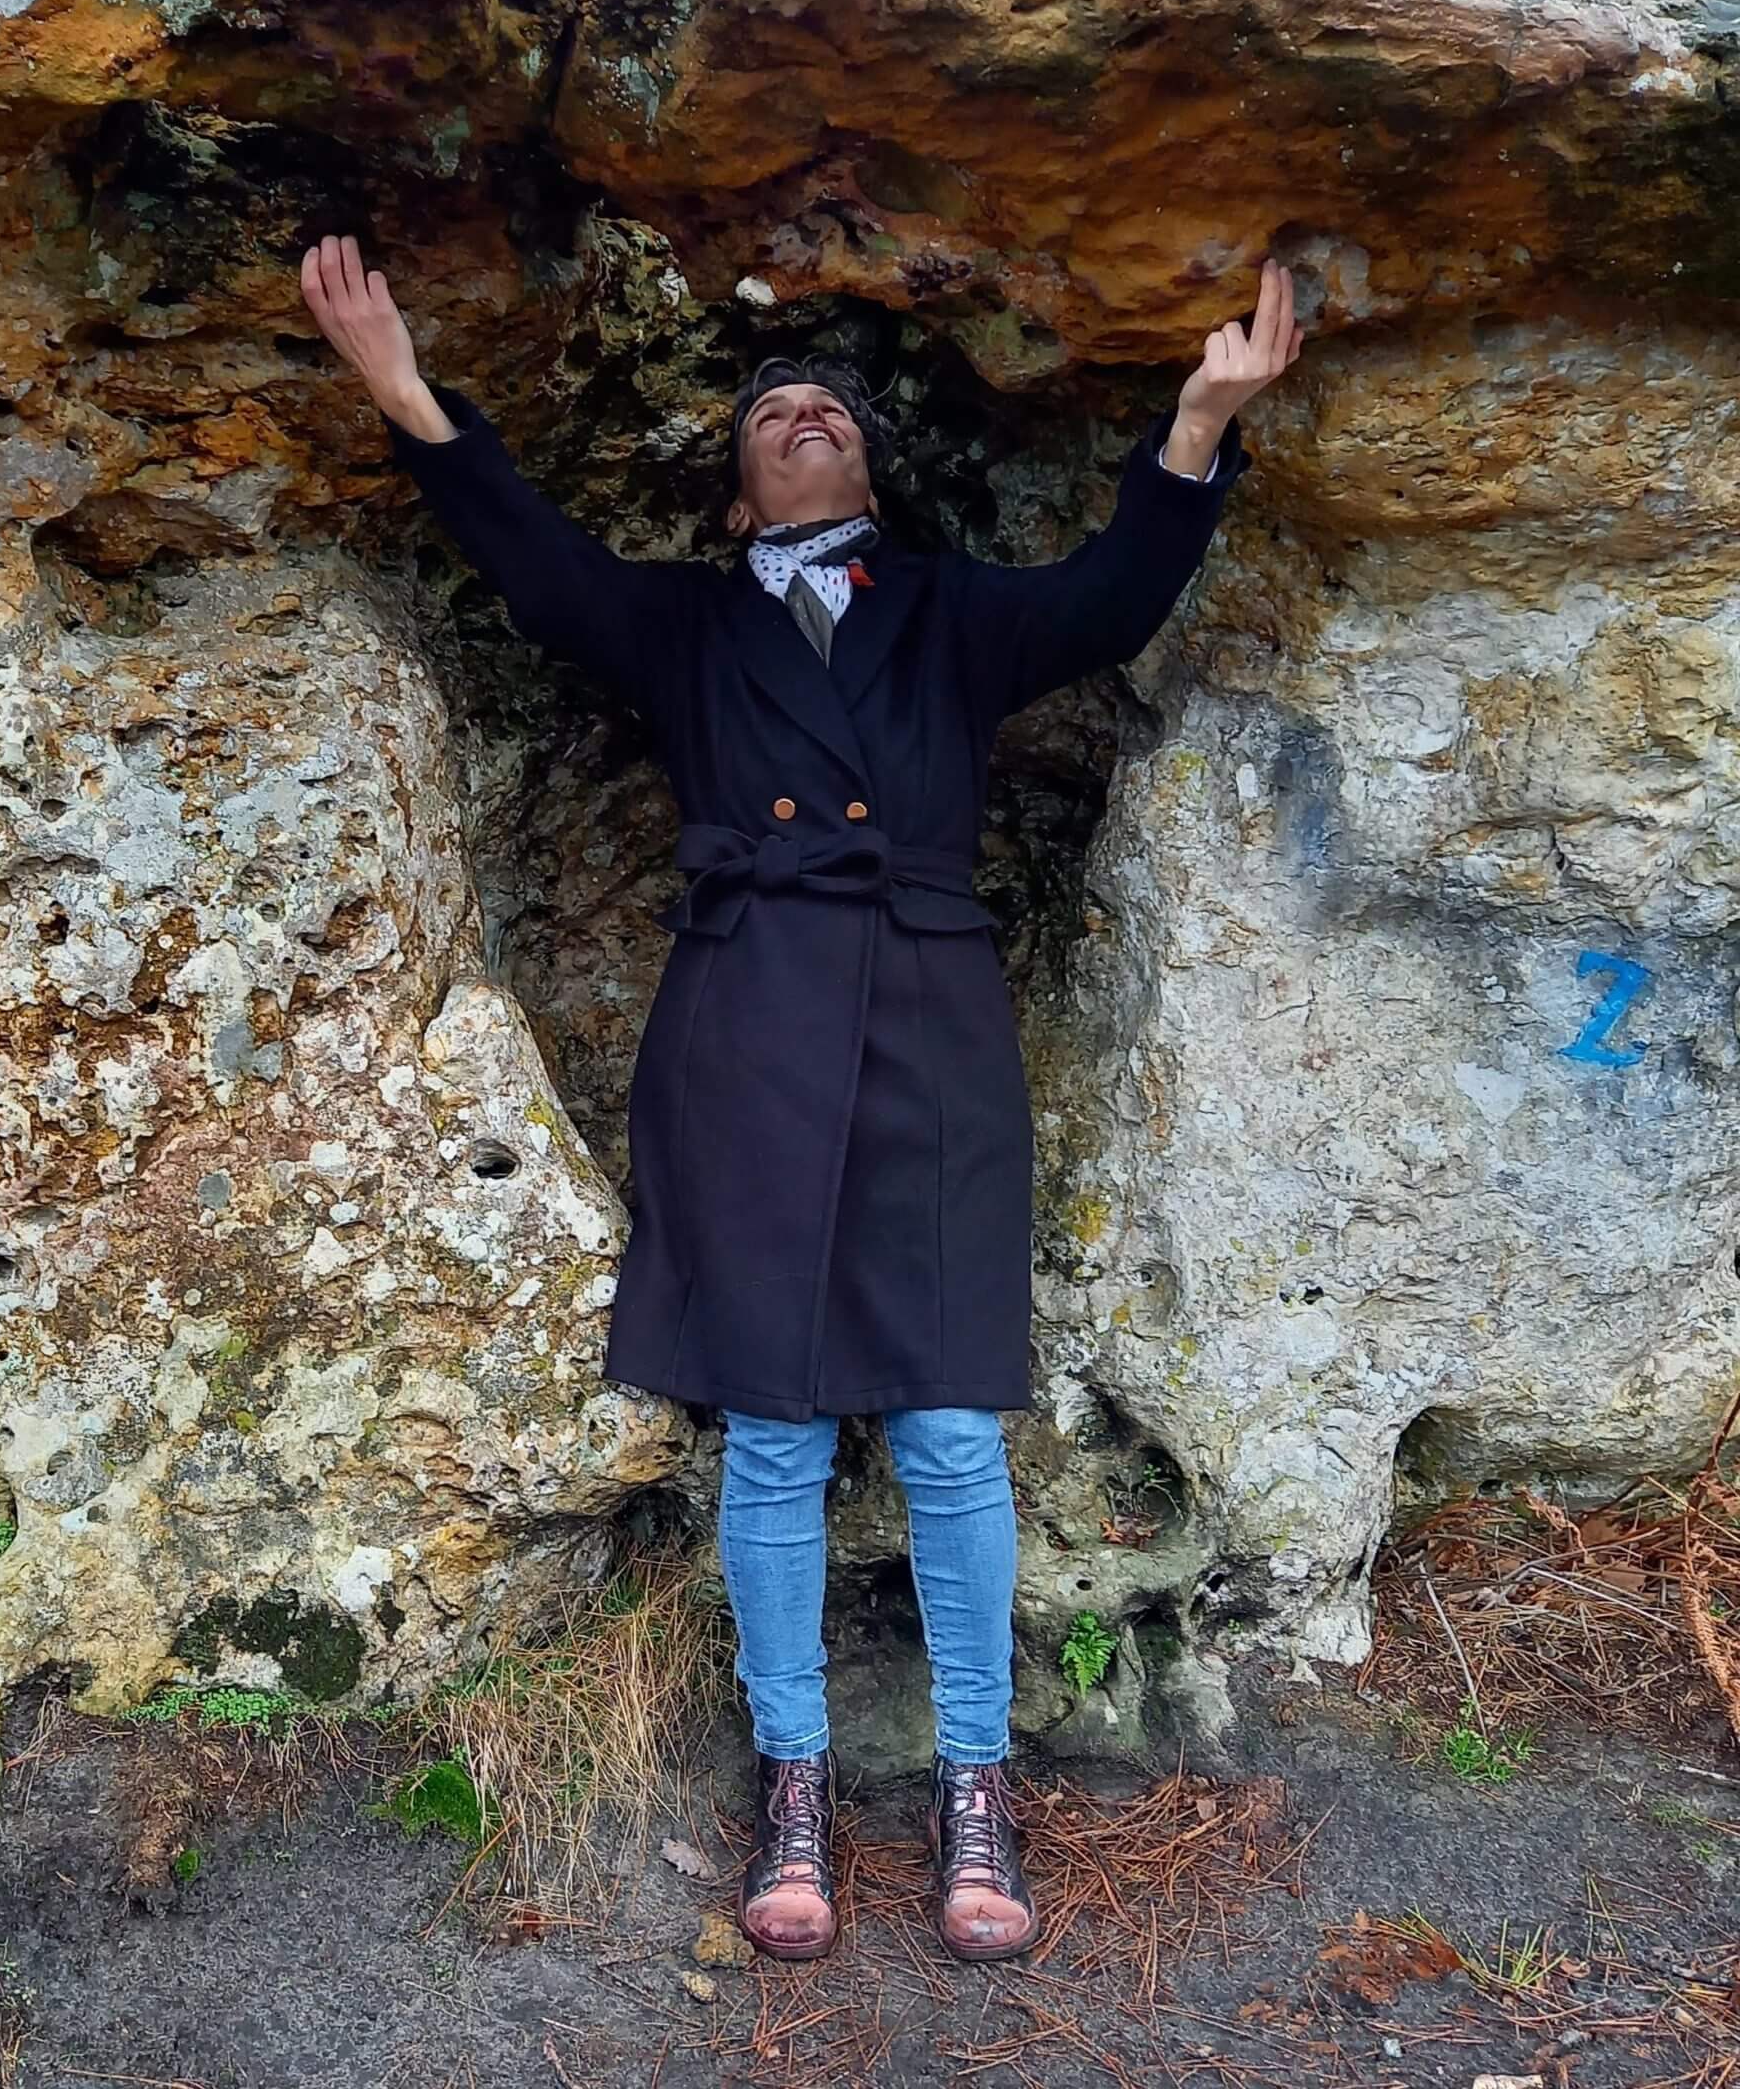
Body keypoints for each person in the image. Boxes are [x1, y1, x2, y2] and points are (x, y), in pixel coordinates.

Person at [300, 233, 1299, 1964]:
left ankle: (978, 1792)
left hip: (929, 1016)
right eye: (776, 410)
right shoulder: (681, 622)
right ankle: (794, 1790)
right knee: (768, 1426)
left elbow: (1111, 596)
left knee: (943, 1419)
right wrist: (405, 391)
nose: (806, 417)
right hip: (746, 1023)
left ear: (873, 465)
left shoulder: (950, 614)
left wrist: (1198, 425)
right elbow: (532, 562)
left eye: (832, 406)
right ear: (741, 482)